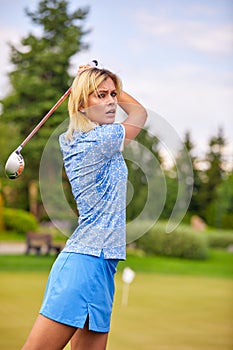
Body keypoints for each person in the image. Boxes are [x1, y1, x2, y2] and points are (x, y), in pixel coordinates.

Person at [22, 64, 147, 350]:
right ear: (80, 104)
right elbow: (140, 114)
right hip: (84, 263)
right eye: (100, 95)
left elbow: (127, 113)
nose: (112, 101)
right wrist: (99, 83)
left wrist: (98, 84)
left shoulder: (80, 138)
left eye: (114, 94)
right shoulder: (99, 139)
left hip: (102, 265)